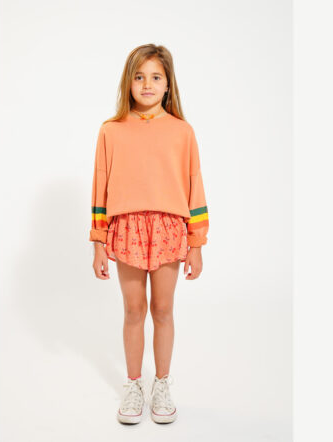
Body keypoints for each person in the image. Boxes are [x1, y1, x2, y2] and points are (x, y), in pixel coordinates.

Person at [89, 44, 209, 425]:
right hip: (126, 228)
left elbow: (194, 186)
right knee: (134, 310)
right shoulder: (110, 131)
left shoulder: (182, 132)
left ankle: (161, 384)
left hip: (169, 228)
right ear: (128, 82)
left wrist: (197, 242)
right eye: (139, 76)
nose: (147, 84)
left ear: (168, 84)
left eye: (156, 77)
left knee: (162, 309)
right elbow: (100, 186)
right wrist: (98, 240)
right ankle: (133, 385)